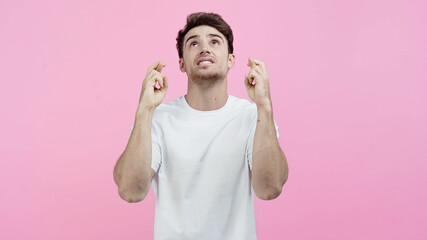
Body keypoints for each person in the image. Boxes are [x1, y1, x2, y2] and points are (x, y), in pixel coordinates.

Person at [113, 12, 289, 240]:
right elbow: (130, 191)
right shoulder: (158, 119)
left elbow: (269, 188)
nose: (204, 48)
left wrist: (264, 106)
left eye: (214, 41)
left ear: (230, 59)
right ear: (181, 64)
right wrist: (144, 110)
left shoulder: (252, 116)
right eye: (193, 43)